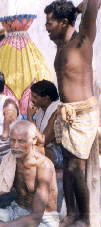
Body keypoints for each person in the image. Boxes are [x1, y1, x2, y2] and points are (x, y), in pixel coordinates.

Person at [45, 1, 100, 226]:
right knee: (67, 166)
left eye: (50, 23)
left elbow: (94, 3)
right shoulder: (61, 45)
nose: (46, 27)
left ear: (64, 22)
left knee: (76, 168)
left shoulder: (83, 40)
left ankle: (85, 220)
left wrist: (78, 9)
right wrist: (71, 11)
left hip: (82, 114)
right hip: (66, 113)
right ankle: (71, 214)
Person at [0, 120, 59, 227]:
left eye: (21, 141)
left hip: (43, 220)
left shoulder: (44, 166)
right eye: (12, 140)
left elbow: (35, 218)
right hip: (15, 212)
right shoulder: (10, 160)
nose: (15, 146)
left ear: (34, 140)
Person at [27, 80, 63, 168]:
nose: (31, 99)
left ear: (46, 98)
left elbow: (42, 141)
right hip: (43, 150)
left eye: (35, 97)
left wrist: (30, 118)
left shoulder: (57, 111)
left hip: (59, 154)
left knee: (24, 150)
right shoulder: (41, 110)